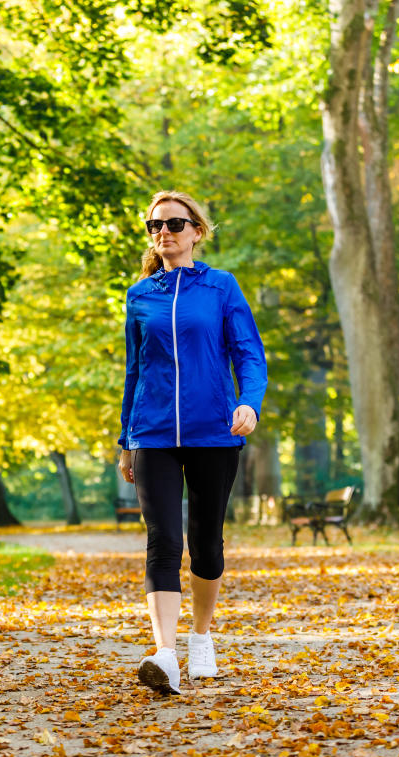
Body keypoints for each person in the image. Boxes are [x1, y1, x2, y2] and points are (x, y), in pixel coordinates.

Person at [118, 190, 267, 695]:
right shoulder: (140, 296)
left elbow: (249, 355)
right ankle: (164, 654)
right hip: (152, 434)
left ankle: (201, 637)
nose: (164, 233)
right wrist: (125, 439)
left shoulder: (222, 287)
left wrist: (249, 402)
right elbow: (133, 371)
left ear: (196, 231)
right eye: (155, 225)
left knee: (206, 544)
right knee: (163, 540)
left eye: (175, 224)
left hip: (213, 432)